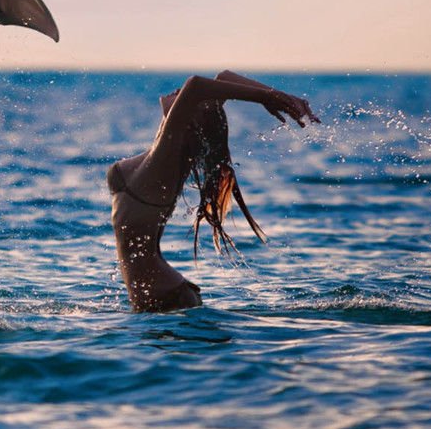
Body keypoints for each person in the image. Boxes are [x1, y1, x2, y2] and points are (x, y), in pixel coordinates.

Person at [105, 71, 316, 311]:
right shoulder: (164, 150)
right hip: (164, 291)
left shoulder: (165, 158)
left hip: (164, 295)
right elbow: (223, 76)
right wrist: (274, 96)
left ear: (189, 119)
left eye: (183, 98)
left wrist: (267, 96)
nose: (178, 92)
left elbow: (195, 86)